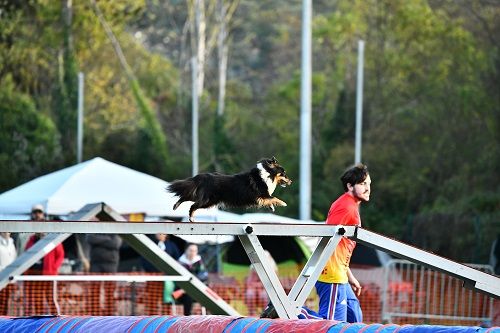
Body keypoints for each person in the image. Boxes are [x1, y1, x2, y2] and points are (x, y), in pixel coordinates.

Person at [262, 163, 370, 322]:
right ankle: (285, 307)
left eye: (368, 183)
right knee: (331, 324)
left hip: (340, 273)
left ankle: (284, 306)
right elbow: (328, 236)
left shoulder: (349, 204)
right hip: (332, 276)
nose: (368, 188)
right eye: (362, 184)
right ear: (349, 186)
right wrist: (320, 266)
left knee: (355, 319)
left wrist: (350, 276)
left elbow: (341, 247)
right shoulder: (346, 206)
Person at [25, 231, 65, 315]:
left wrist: (53, 267)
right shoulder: (31, 241)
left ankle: (56, 317)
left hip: (49, 276)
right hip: (35, 275)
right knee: (37, 300)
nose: (41, 232)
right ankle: (39, 318)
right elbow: (26, 254)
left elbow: (60, 255)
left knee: (51, 298)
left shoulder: (53, 240)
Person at [142, 233, 181, 314]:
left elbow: (177, 260)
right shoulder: (150, 244)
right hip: (153, 278)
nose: (159, 235)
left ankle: (166, 318)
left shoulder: (171, 245)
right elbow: (144, 259)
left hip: (168, 280)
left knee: (167, 300)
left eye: (161, 233)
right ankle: (151, 317)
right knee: (152, 300)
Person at [86, 232, 122, 315]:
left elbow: (116, 243)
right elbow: (90, 239)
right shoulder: (93, 230)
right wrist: (107, 240)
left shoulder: (115, 232)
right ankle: (94, 313)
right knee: (94, 291)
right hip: (95, 264)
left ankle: (110, 313)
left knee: (110, 292)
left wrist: (99, 241)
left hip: (111, 264)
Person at [177, 243, 208, 315]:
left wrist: (193, 280)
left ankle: (207, 317)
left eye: (195, 250)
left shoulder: (199, 262)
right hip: (182, 292)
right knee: (189, 295)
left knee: (207, 293)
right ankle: (187, 318)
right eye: (191, 250)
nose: (193, 252)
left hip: (198, 289)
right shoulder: (179, 262)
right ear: (186, 250)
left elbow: (204, 275)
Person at [0, 232, 17, 315]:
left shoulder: (12, 243)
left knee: (7, 301)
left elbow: (14, 259)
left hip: (10, 279)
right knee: (1, 301)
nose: (7, 233)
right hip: (1, 277)